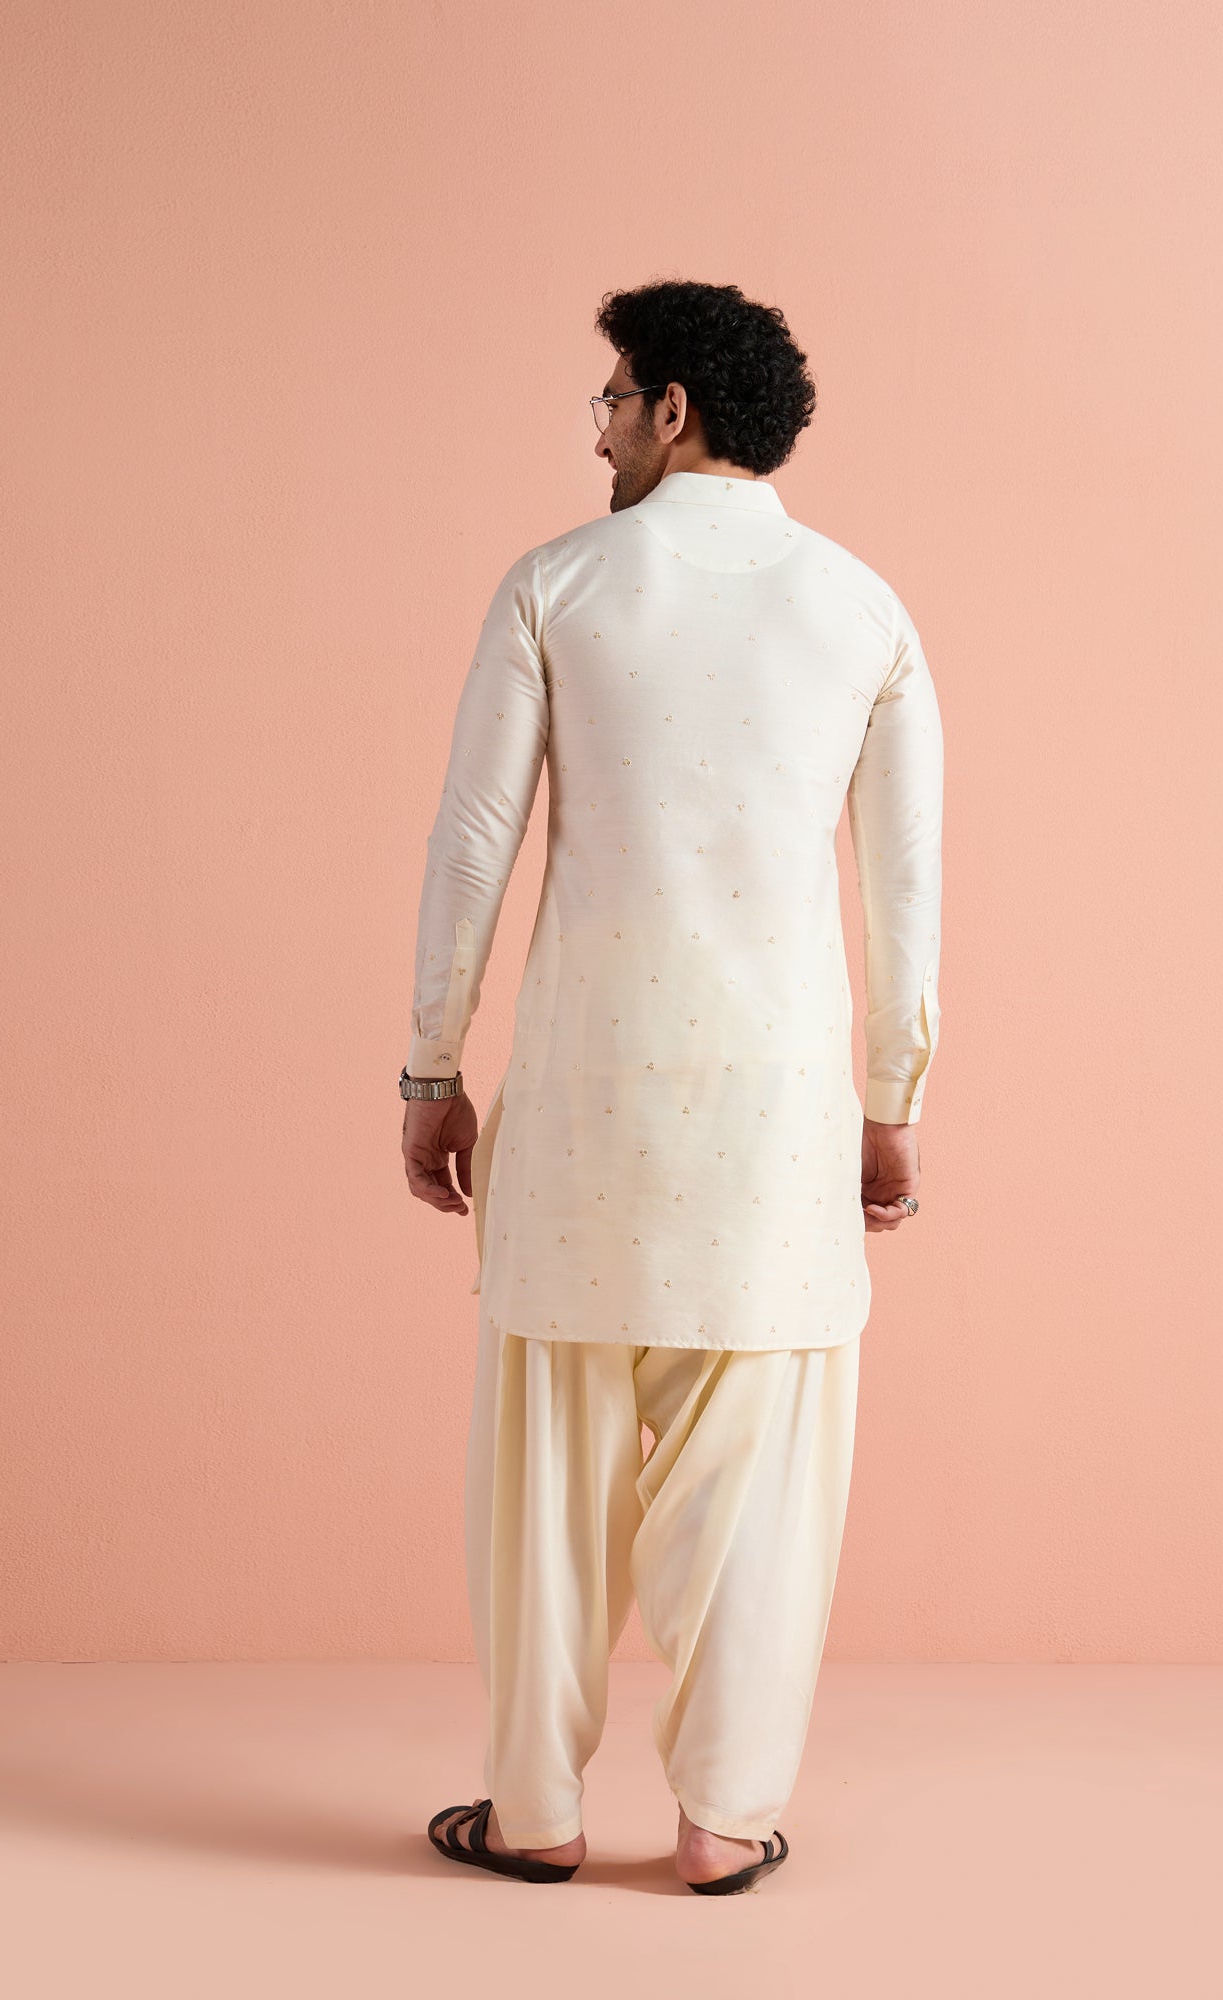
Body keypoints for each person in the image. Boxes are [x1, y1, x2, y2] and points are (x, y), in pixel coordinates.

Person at [404, 279, 943, 1893]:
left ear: (674, 410)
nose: (603, 433)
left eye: (614, 402)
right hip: (775, 1118)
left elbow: (474, 843)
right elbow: (904, 889)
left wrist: (432, 1063)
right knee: (759, 1480)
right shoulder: (863, 610)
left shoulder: (558, 585)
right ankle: (722, 1824)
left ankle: (534, 1814)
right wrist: (893, 1100)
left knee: (547, 1476)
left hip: (585, 1104)